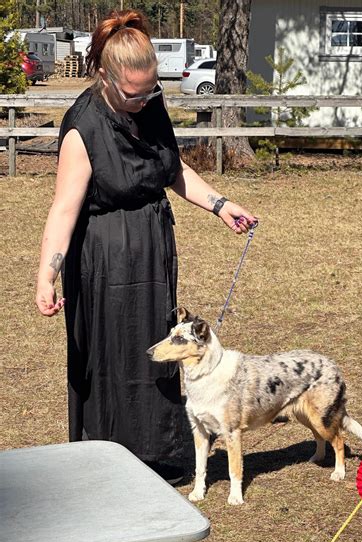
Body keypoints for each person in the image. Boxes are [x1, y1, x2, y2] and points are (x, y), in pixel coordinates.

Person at [35, 9, 257, 484]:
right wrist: (47, 274)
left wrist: (221, 205)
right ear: (106, 80)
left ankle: (157, 457)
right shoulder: (83, 128)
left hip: (153, 247)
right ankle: (107, 463)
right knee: (114, 354)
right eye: (134, 94)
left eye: (150, 90)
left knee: (157, 349)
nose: (144, 101)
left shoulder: (150, 107)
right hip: (105, 255)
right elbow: (63, 209)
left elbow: (172, 170)